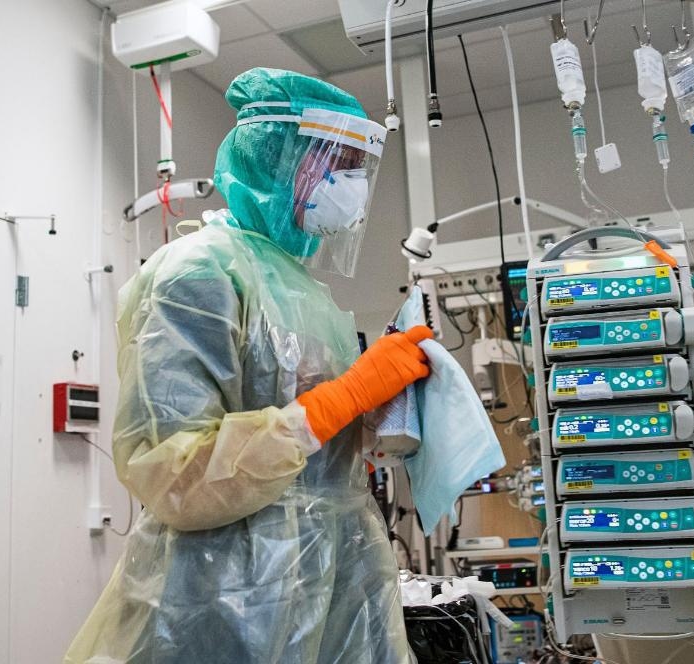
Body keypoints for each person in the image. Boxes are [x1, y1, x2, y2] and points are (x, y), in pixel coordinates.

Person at [66, 68, 427, 663]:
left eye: (357, 170)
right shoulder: (198, 273)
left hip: (331, 574)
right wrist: (339, 400)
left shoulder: (308, 295)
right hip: (220, 597)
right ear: (280, 161)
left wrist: (382, 411)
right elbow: (173, 474)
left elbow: (316, 447)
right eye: (335, 164)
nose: (352, 186)